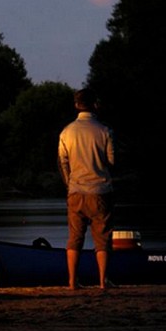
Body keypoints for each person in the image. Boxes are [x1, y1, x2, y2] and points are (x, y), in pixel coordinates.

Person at [57, 88, 115, 290]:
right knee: (103, 238)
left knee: (75, 238)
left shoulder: (66, 132)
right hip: (101, 191)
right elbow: (112, 161)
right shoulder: (104, 131)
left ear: (76, 105)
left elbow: (62, 162)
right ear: (95, 104)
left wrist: (69, 184)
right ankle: (103, 281)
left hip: (75, 191)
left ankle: (72, 281)